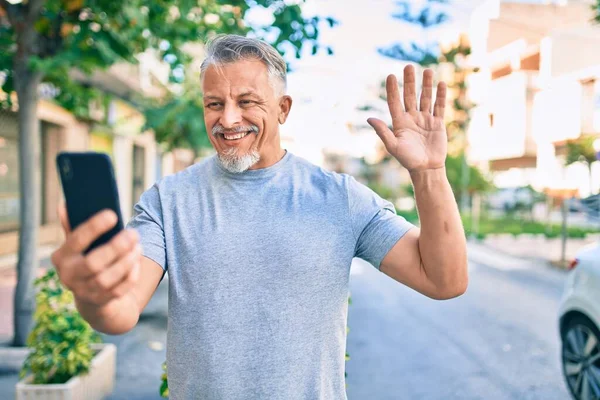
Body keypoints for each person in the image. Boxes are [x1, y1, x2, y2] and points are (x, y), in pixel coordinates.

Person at [51, 34, 468, 399]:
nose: (228, 119)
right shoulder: (169, 199)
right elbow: (119, 312)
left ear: (283, 108)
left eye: (246, 102)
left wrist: (428, 173)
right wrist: (92, 290)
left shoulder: (340, 198)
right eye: (214, 104)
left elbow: (443, 279)